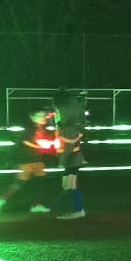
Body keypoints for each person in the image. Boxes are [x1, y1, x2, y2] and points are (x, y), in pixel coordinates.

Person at [0, 107, 59, 214]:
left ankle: (36, 205)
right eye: (40, 116)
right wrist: (41, 145)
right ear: (32, 117)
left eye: (44, 115)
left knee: (40, 182)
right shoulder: (29, 128)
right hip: (26, 160)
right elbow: (24, 141)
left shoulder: (43, 129)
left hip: (38, 160)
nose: (43, 117)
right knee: (18, 184)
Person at [51, 89, 88, 219]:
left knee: (70, 185)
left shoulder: (67, 127)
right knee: (67, 185)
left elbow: (69, 146)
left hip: (72, 158)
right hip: (72, 158)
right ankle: (64, 206)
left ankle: (77, 210)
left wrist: (61, 162)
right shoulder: (71, 124)